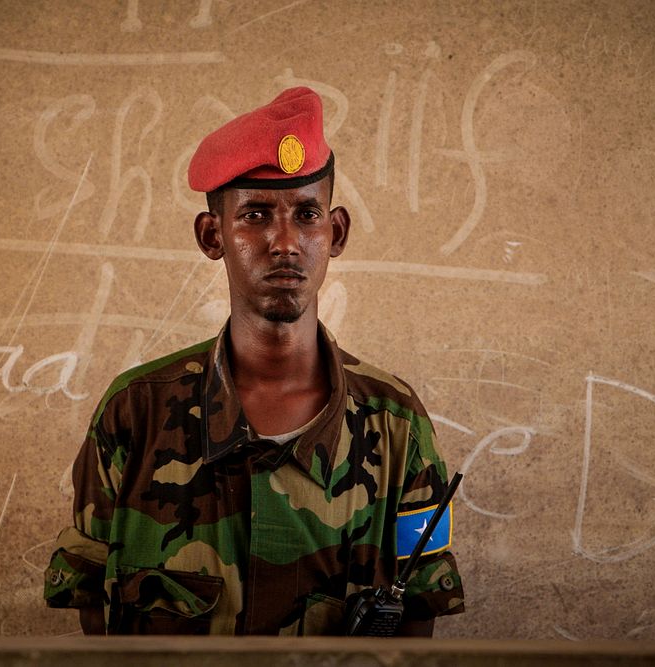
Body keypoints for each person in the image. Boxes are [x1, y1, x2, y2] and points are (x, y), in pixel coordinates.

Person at [44, 87, 464, 636]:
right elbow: (93, 607)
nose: (285, 242)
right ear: (212, 235)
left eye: (306, 214)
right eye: (256, 215)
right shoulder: (135, 414)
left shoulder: (395, 423)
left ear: (335, 233)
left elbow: (416, 617)